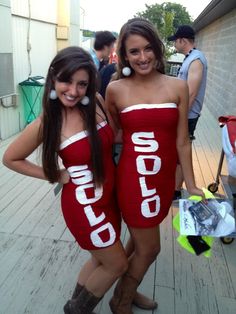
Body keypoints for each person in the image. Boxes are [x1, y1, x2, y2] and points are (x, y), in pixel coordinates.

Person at [2, 46, 129, 314]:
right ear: (53, 78)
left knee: (100, 259)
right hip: (84, 205)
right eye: (66, 81)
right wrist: (55, 174)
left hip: (108, 197)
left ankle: (73, 306)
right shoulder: (47, 122)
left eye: (81, 83)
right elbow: (10, 159)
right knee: (117, 264)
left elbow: (112, 138)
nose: (73, 90)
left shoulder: (95, 99)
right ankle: (76, 311)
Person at [105, 18, 204, 313]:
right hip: (134, 179)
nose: (143, 57)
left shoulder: (178, 86)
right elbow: (113, 135)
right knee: (150, 248)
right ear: (124, 54)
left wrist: (191, 182)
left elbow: (183, 140)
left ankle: (129, 291)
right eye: (134, 52)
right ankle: (120, 301)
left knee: (137, 243)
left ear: (158, 49)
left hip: (162, 181)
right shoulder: (116, 90)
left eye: (148, 48)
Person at [168, 25, 208, 200]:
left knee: (180, 152)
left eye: (175, 41)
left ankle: (176, 190)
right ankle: (175, 187)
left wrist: (179, 117)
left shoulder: (196, 60)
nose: (174, 44)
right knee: (177, 151)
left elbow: (191, 93)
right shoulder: (189, 58)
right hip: (184, 114)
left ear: (182, 40)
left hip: (187, 116)